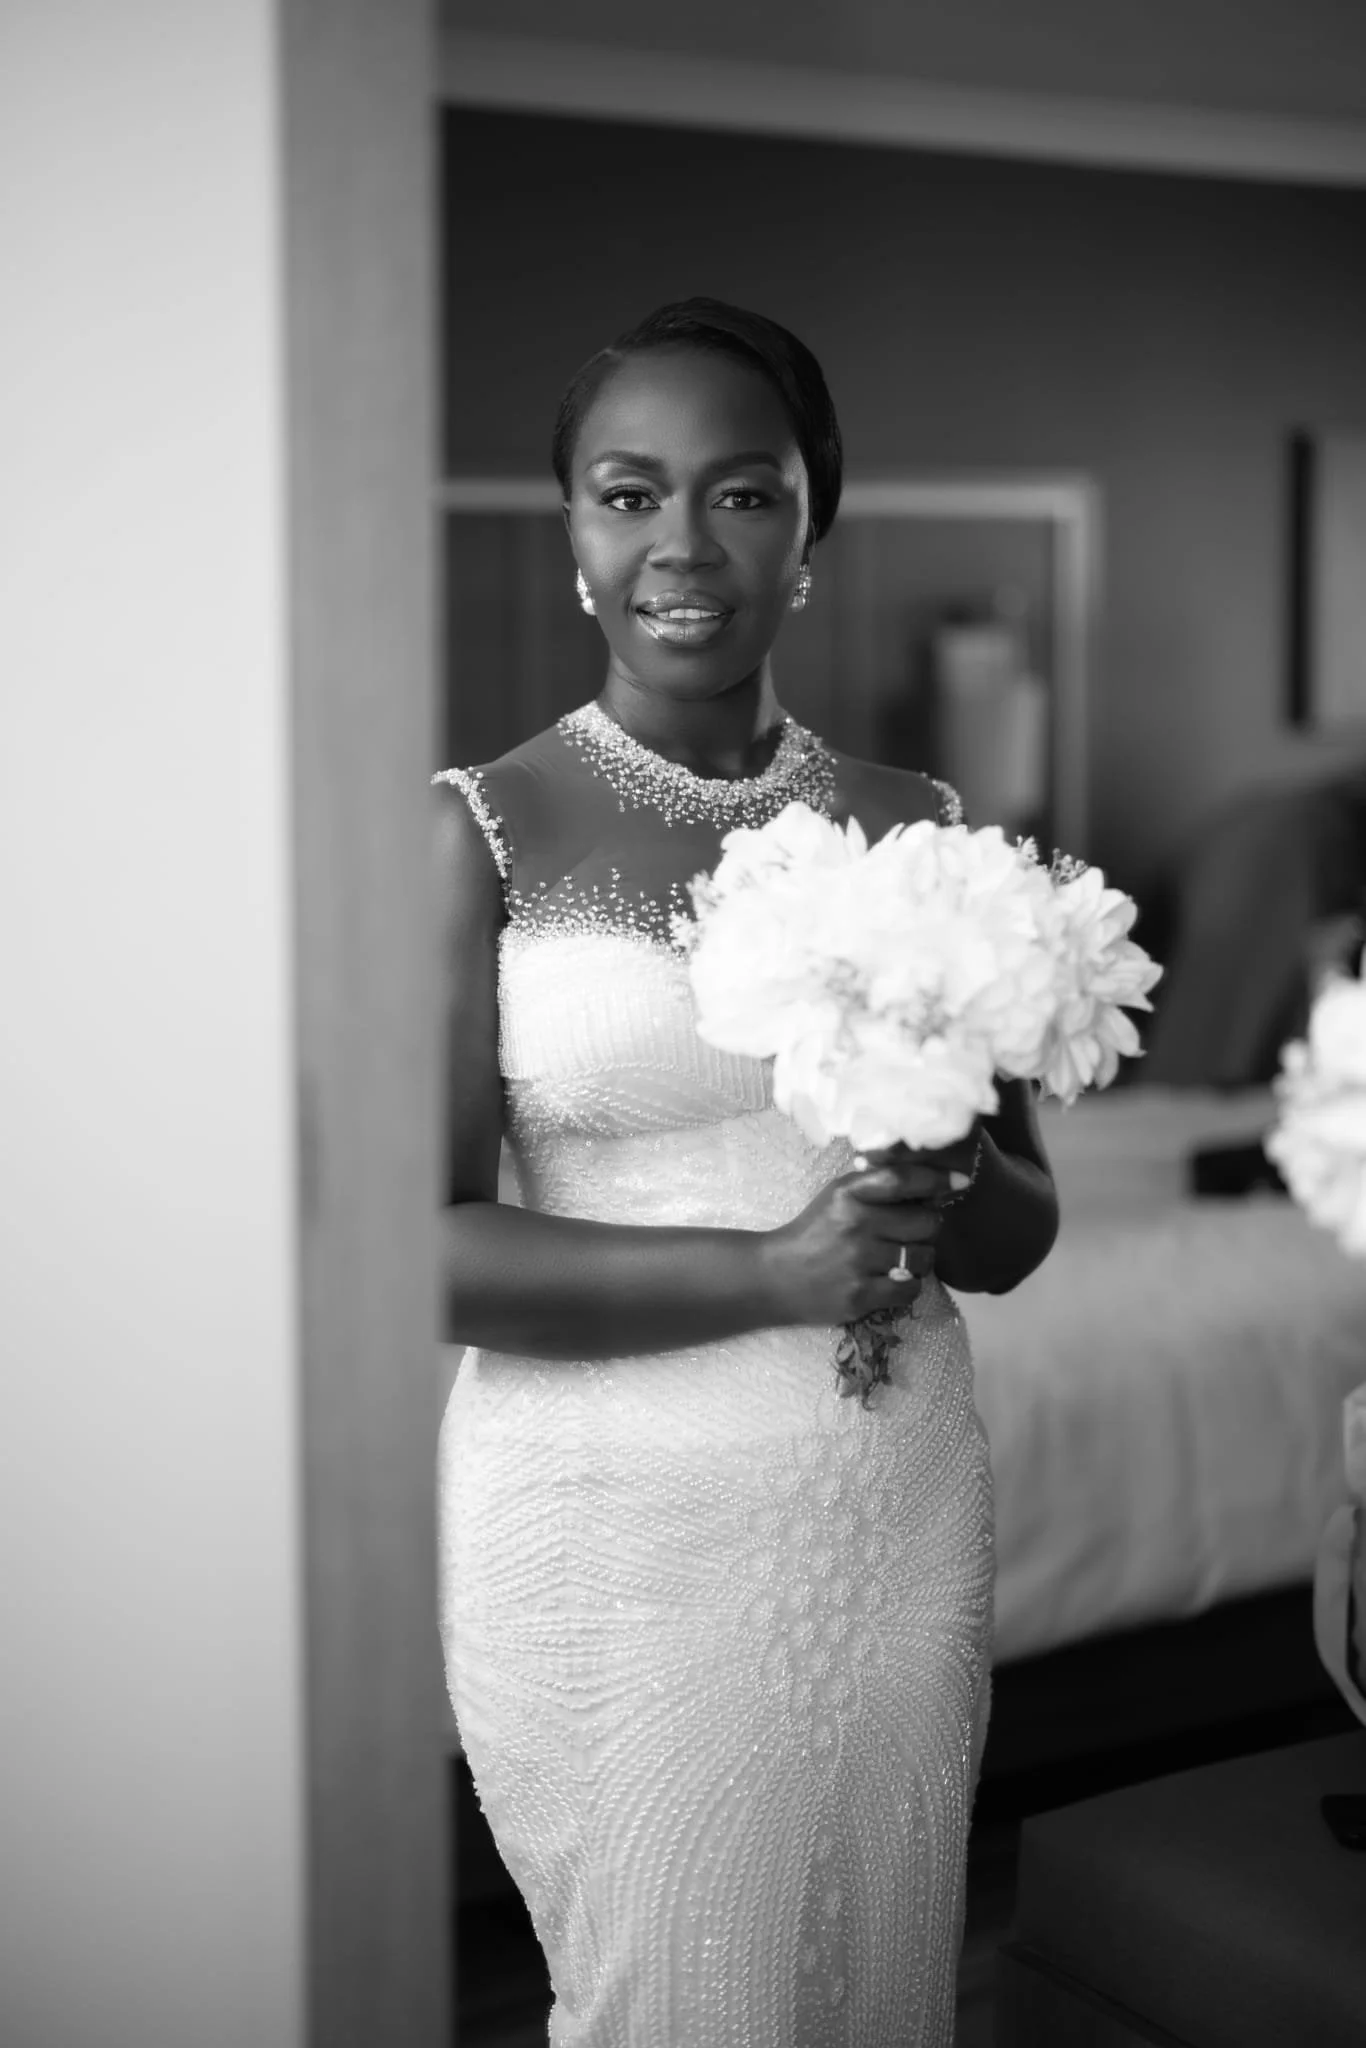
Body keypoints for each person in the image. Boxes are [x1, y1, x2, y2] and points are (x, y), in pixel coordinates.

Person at [433, 298, 1059, 2047]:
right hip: (610, 1523)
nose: (681, 546)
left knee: (880, 1977)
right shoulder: (478, 830)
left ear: (809, 526)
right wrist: (777, 1271)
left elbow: (1017, 1233)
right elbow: (419, 1255)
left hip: (891, 1498)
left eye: (742, 493)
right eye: (628, 494)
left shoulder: (921, 827)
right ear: (574, 534)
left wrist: (939, 1149)